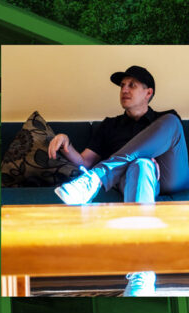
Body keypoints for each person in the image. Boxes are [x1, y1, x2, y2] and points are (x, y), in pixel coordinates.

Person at [50, 65, 187, 296]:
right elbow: (84, 161)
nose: (124, 89)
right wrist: (65, 142)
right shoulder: (109, 126)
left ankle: (97, 178)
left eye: (132, 85)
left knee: (172, 122)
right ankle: (141, 273)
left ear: (148, 93)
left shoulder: (163, 119)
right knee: (141, 164)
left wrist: (97, 171)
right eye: (122, 85)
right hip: (133, 180)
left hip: (170, 176)